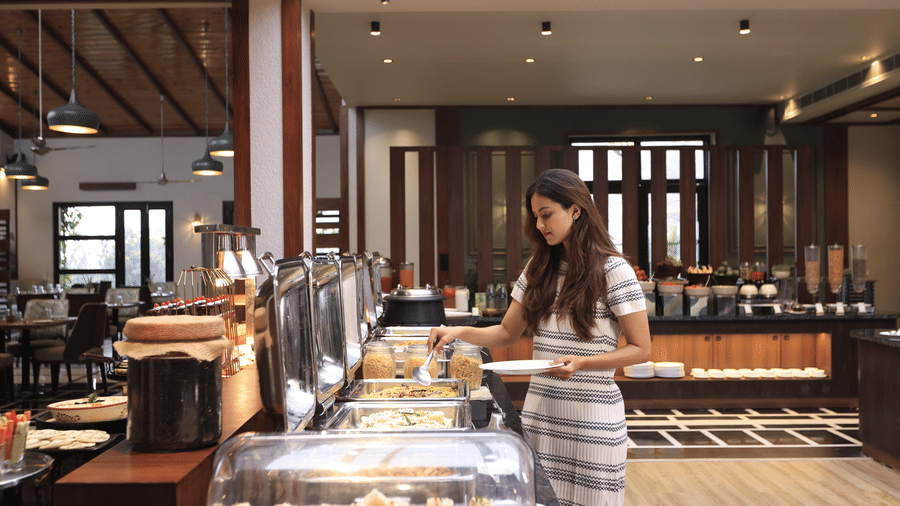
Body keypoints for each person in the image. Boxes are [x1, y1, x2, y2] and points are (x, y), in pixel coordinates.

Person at [429, 168, 652, 506]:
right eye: (535, 216)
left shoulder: (613, 271)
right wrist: (458, 331)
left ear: (575, 210)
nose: (539, 225)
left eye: (546, 215)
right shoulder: (538, 268)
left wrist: (582, 363)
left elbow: (641, 349)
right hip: (541, 414)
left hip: (593, 424)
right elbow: (506, 332)